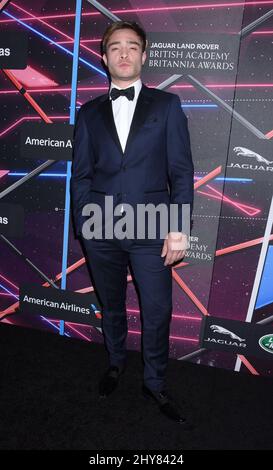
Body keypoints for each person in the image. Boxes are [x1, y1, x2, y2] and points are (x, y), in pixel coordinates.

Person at [70, 21, 194, 424]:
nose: (124, 54)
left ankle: (155, 383)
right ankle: (115, 363)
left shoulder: (167, 105)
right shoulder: (88, 114)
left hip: (152, 226)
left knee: (157, 310)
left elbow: (181, 172)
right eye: (115, 48)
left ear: (144, 55)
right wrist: (86, 223)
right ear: (104, 58)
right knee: (112, 306)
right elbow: (82, 175)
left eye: (132, 47)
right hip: (100, 226)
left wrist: (178, 228)